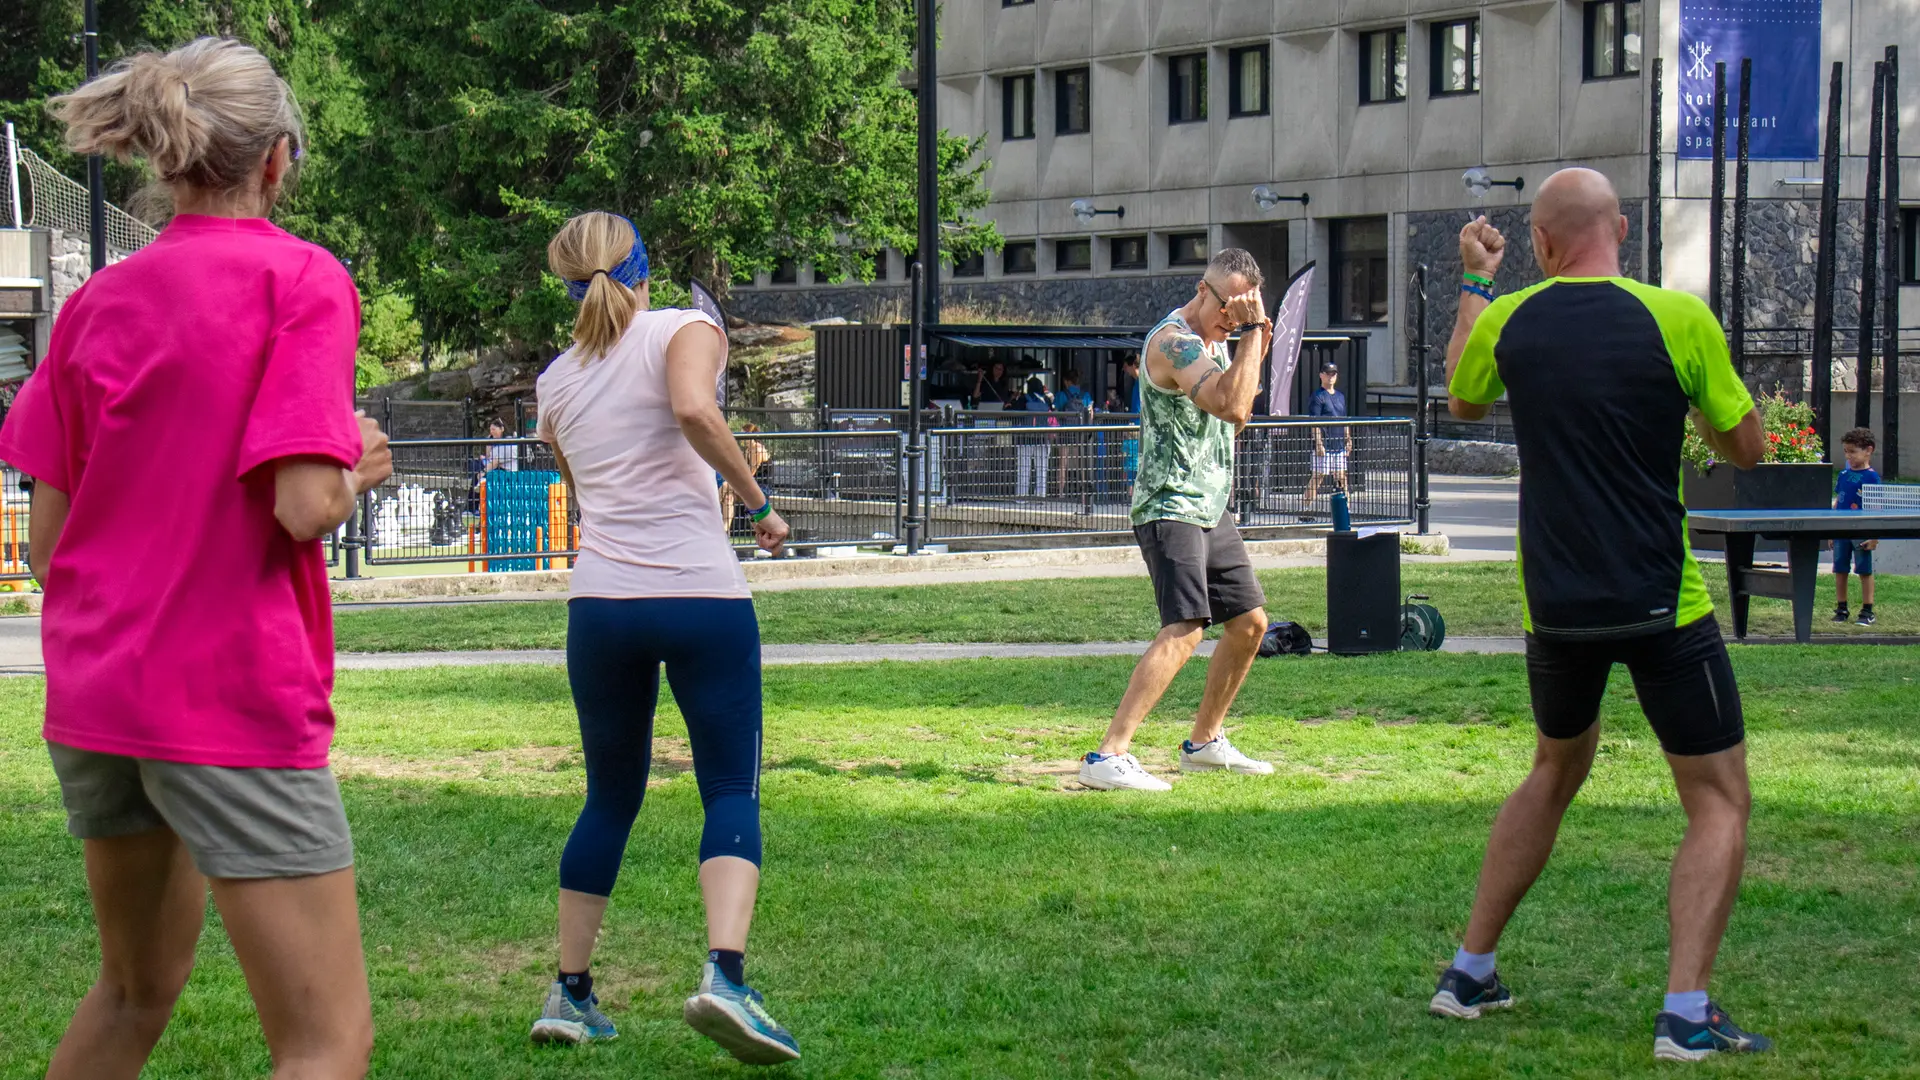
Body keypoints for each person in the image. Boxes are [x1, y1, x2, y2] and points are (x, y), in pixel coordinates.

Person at [0, 38, 391, 1079]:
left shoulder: (93, 307)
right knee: (326, 1041)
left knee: (131, 995)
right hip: (227, 695)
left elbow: (46, 544)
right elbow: (303, 503)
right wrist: (362, 466)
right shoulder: (302, 279)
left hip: (99, 696)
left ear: (164, 159)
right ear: (276, 161)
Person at [1435, 168, 1771, 1062]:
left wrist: (1475, 281)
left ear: (1540, 244)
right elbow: (1748, 447)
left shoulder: (1509, 319)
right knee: (1718, 800)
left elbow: (1463, 400)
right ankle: (1686, 1013)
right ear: (1621, 228)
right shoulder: (1677, 316)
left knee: (1553, 770)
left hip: (1557, 604)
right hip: (1665, 603)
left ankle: (1469, 971)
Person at [529, 210, 801, 1064]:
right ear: (644, 265)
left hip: (601, 603)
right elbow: (691, 408)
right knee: (729, 784)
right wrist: (756, 503)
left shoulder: (556, 380)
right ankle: (725, 976)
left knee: (609, 795)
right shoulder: (684, 328)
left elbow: (578, 478)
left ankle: (570, 994)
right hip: (698, 595)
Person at [1077, 249, 1275, 792]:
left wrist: (1249, 343)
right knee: (1186, 628)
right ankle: (1107, 756)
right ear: (1203, 289)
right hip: (1169, 504)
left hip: (1209, 504)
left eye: (1241, 310)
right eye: (1226, 305)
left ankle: (1205, 743)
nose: (1229, 318)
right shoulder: (1175, 341)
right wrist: (1255, 333)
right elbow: (1232, 408)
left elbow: (1237, 415)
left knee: (1251, 624)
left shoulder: (1219, 343)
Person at [1832, 427, 1880, 626]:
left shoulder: (1871, 478)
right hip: (1841, 530)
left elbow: (1876, 507)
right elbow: (1837, 502)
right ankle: (1842, 608)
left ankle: (1867, 610)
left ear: (1868, 450)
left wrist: (1874, 535)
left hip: (1861, 530)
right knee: (1840, 568)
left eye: (1853, 451)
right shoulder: (1843, 474)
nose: (1848, 456)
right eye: (1846, 451)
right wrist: (1831, 528)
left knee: (1864, 570)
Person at [1302, 362, 1351, 517]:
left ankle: (1345, 509)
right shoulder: (1318, 396)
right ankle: (1306, 508)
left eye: (1333, 374)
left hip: (1338, 443)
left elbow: (1344, 419)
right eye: (1328, 373)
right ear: (1321, 375)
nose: (1331, 377)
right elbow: (1314, 421)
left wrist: (1348, 439)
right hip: (1325, 442)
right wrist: (1319, 443)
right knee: (1318, 476)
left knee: (1342, 477)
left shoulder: (1340, 396)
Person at [722, 421, 774, 540]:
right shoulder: (747, 450)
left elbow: (749, 474)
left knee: (725, 487)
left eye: (743, 434)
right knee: (728, 497)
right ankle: (725, 531)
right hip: (750, 486)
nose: (741, 438)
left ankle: (712, 514)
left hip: (761, 487)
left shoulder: (757, 450)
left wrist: (733, 483)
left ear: (749, 435)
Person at [1014, 376, 1054, 498]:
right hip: (1042, 438)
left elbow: (1015, 414)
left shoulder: (1023, 399)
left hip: (1024, 438)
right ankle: (1040, 497)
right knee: (1041, 470)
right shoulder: (1046, 400)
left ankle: (1022, 497)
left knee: (1023, 470)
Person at [1055, 368, 1093, 496]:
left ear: (1066, 381)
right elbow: (1090, 411)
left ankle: (1061, 492)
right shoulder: (1085, 395)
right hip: (1080, 431)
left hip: (1065, 430)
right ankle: (1084, 494)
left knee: (1062, 462)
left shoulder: (1062, 394)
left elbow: (1056, 410)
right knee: (1081, 463)